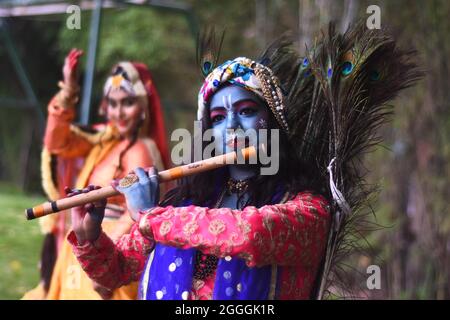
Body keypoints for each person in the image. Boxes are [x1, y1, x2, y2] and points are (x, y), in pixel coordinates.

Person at [66, 41, 332, 300]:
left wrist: (150, 216)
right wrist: (88, 235)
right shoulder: (187, 202)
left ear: (273, 122)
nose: (231, 127)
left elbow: (251, 235)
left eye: (247, 111)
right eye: (217, 118)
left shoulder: (309, 209)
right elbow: (117, 271)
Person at [24, 49, 170, 300]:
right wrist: (69, 91)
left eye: (128, 102)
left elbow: (134, 213)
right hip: (84, 251)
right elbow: (56, 142)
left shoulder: (141, 149)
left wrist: (103, 261)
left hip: (106, 258)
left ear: (143, 106)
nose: (119, 112)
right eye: (113, 103)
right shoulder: (103, 141)